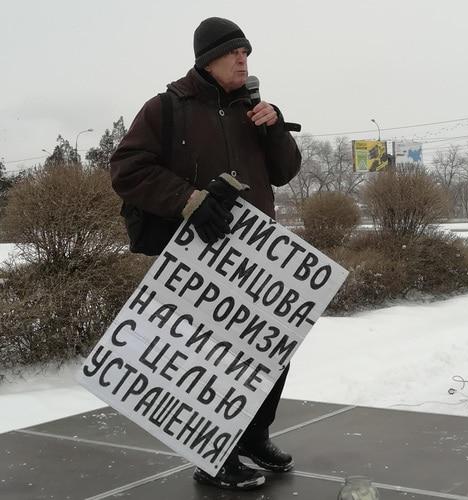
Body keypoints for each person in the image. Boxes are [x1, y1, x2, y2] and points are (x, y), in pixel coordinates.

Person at [110, 16, 302, 491]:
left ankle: (254, 436)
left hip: (257, 252)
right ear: (207, 59)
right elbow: (128, 169)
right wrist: (189, 201)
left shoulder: (253, 109)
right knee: (215, 358)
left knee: (271, 347)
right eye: (234, 52)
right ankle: (213, 457)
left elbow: (285, 172)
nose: (243, 59)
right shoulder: (166, 108)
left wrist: (275, 127)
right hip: (201, 254)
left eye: (247, 53)